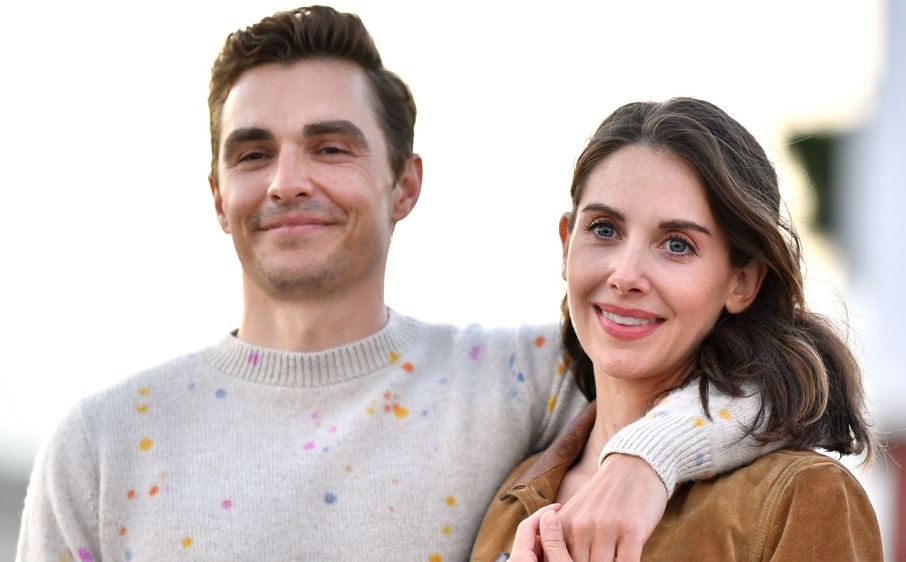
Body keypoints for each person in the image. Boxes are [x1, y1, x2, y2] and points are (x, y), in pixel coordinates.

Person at [16, 9, 776, 562]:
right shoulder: (102, 445)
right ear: (218, 194)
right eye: (252, 155)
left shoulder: (519, 381)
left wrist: (648, 459)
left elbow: (760, 382)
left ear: (405, 184)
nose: (287, 181)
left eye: (330, 146)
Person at [472, 97, 884, 561]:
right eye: (604, 229)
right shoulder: (514, 495)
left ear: (742, 281)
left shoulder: (800, 498)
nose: (625, 275)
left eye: (676, 244)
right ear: (567, 244)